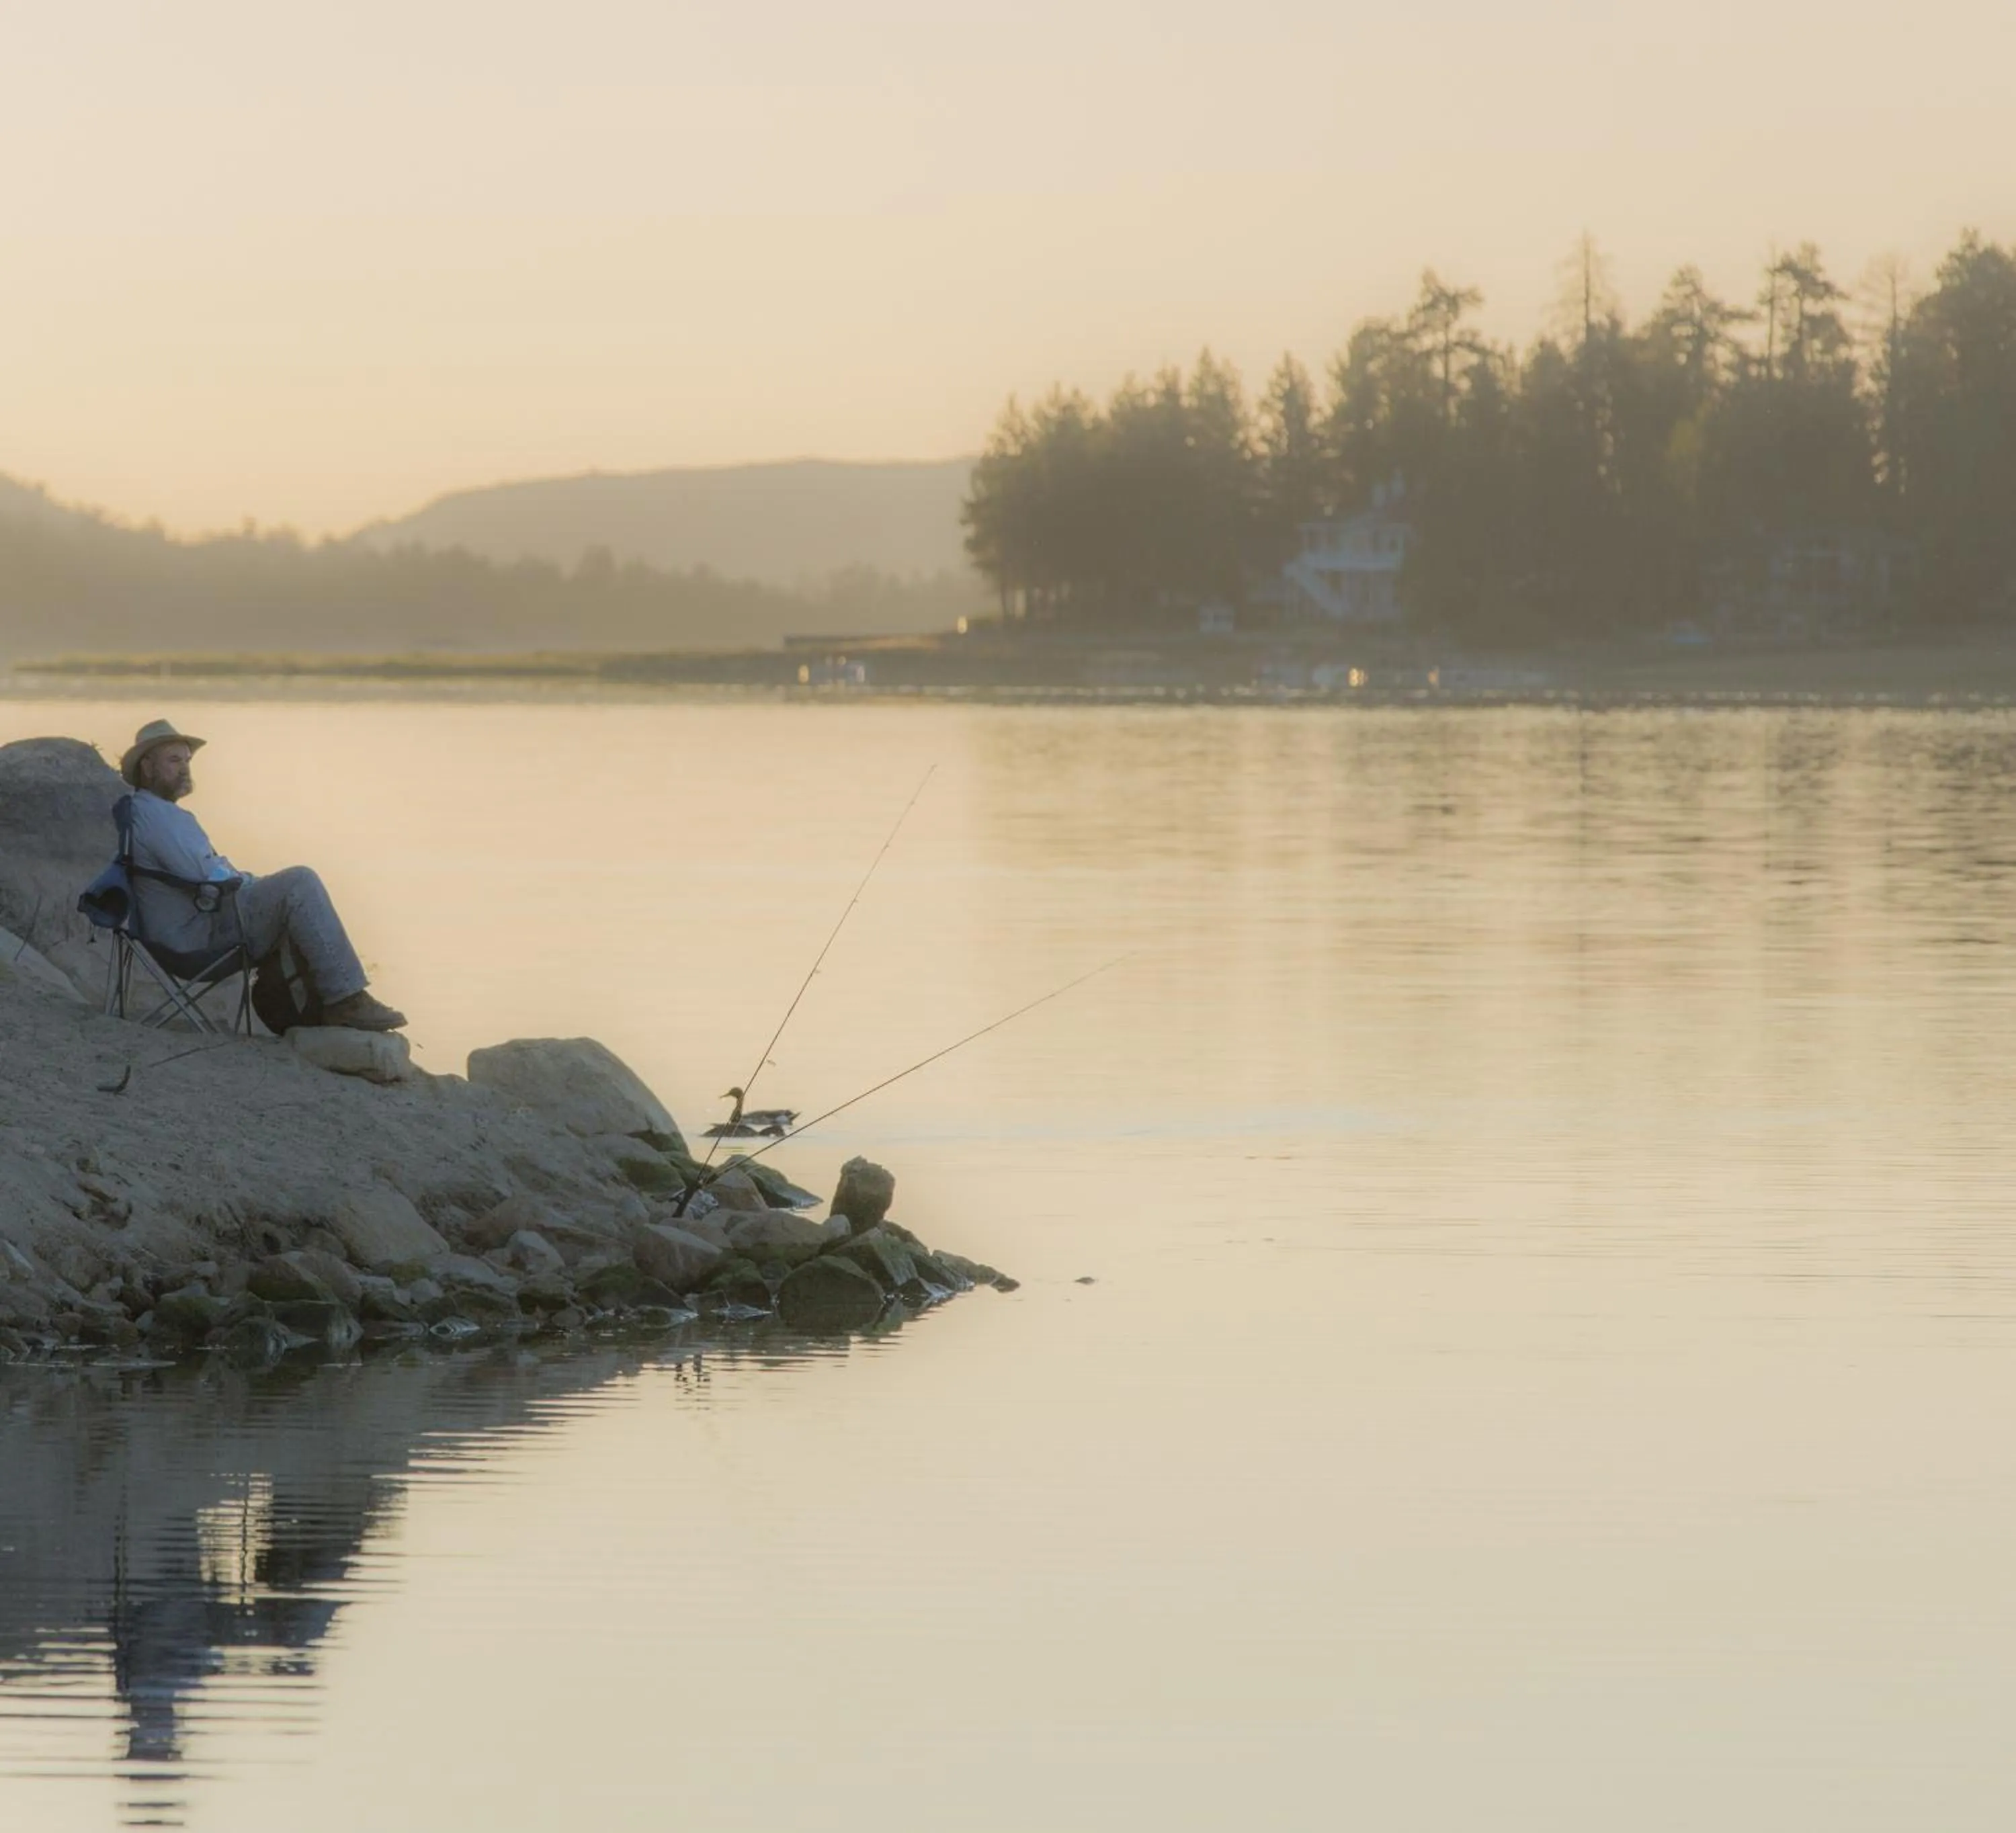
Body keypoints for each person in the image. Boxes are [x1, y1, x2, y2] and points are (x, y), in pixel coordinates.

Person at [118, 718, 409, 1031]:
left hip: (201, 921)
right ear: (147, 767)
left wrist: (248, 881)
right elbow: (205, 875)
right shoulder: (153, 816)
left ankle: (312, 1008)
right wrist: (248, 883)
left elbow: (206, 871)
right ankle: (344, 1000)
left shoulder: (165, 814)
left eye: (187, 761)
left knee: (289, 893)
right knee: (300, 882)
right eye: (174, 761)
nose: (185, 769)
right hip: (195, 938)